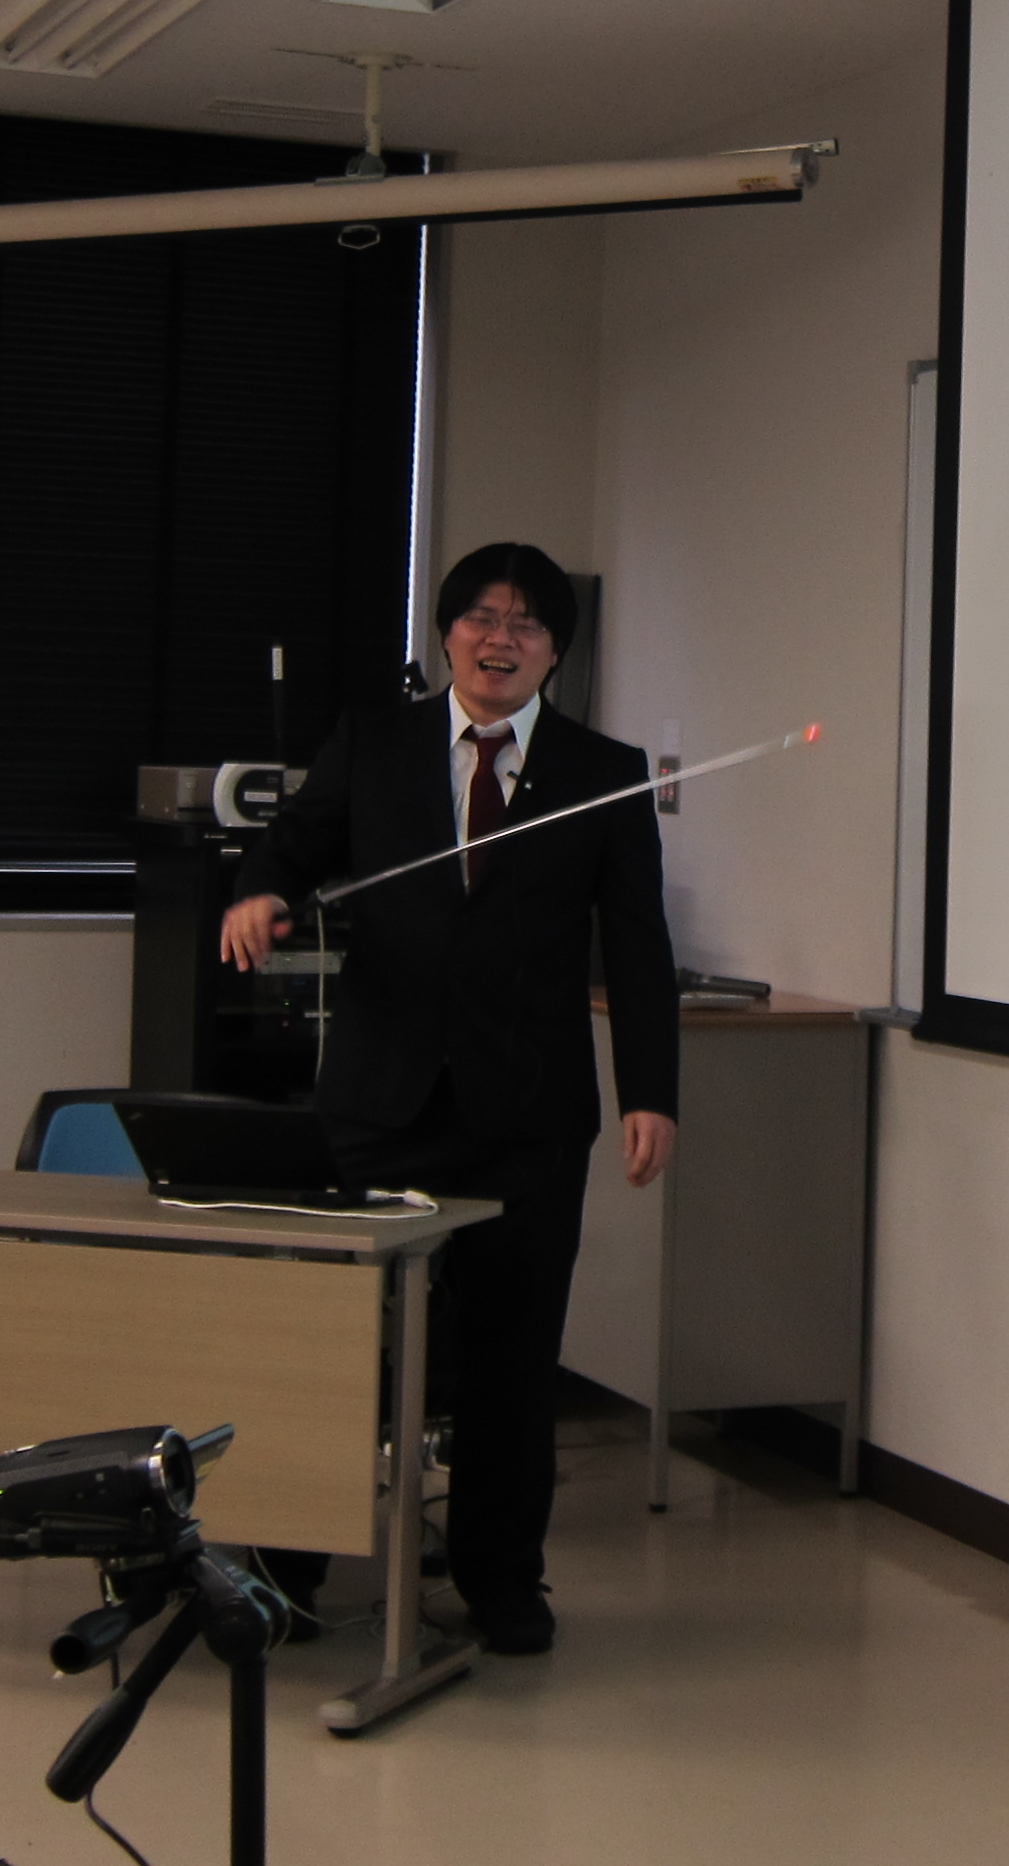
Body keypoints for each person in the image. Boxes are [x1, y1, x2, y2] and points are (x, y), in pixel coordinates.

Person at [221, 540, 676, 1656]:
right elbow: (291, 844)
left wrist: (651, 1091)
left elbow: (637, 943)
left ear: (555, 652)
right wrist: (260, 893)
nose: (500, 639)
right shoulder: (374, 743)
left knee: (512, 1361)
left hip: (529, 1114)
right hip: (381, 1100)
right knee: (337, 1346)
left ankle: (502, 1581)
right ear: (447, 634)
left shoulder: (604, 770)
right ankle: (288, 1569)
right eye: (481, 616)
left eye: (527, 623)